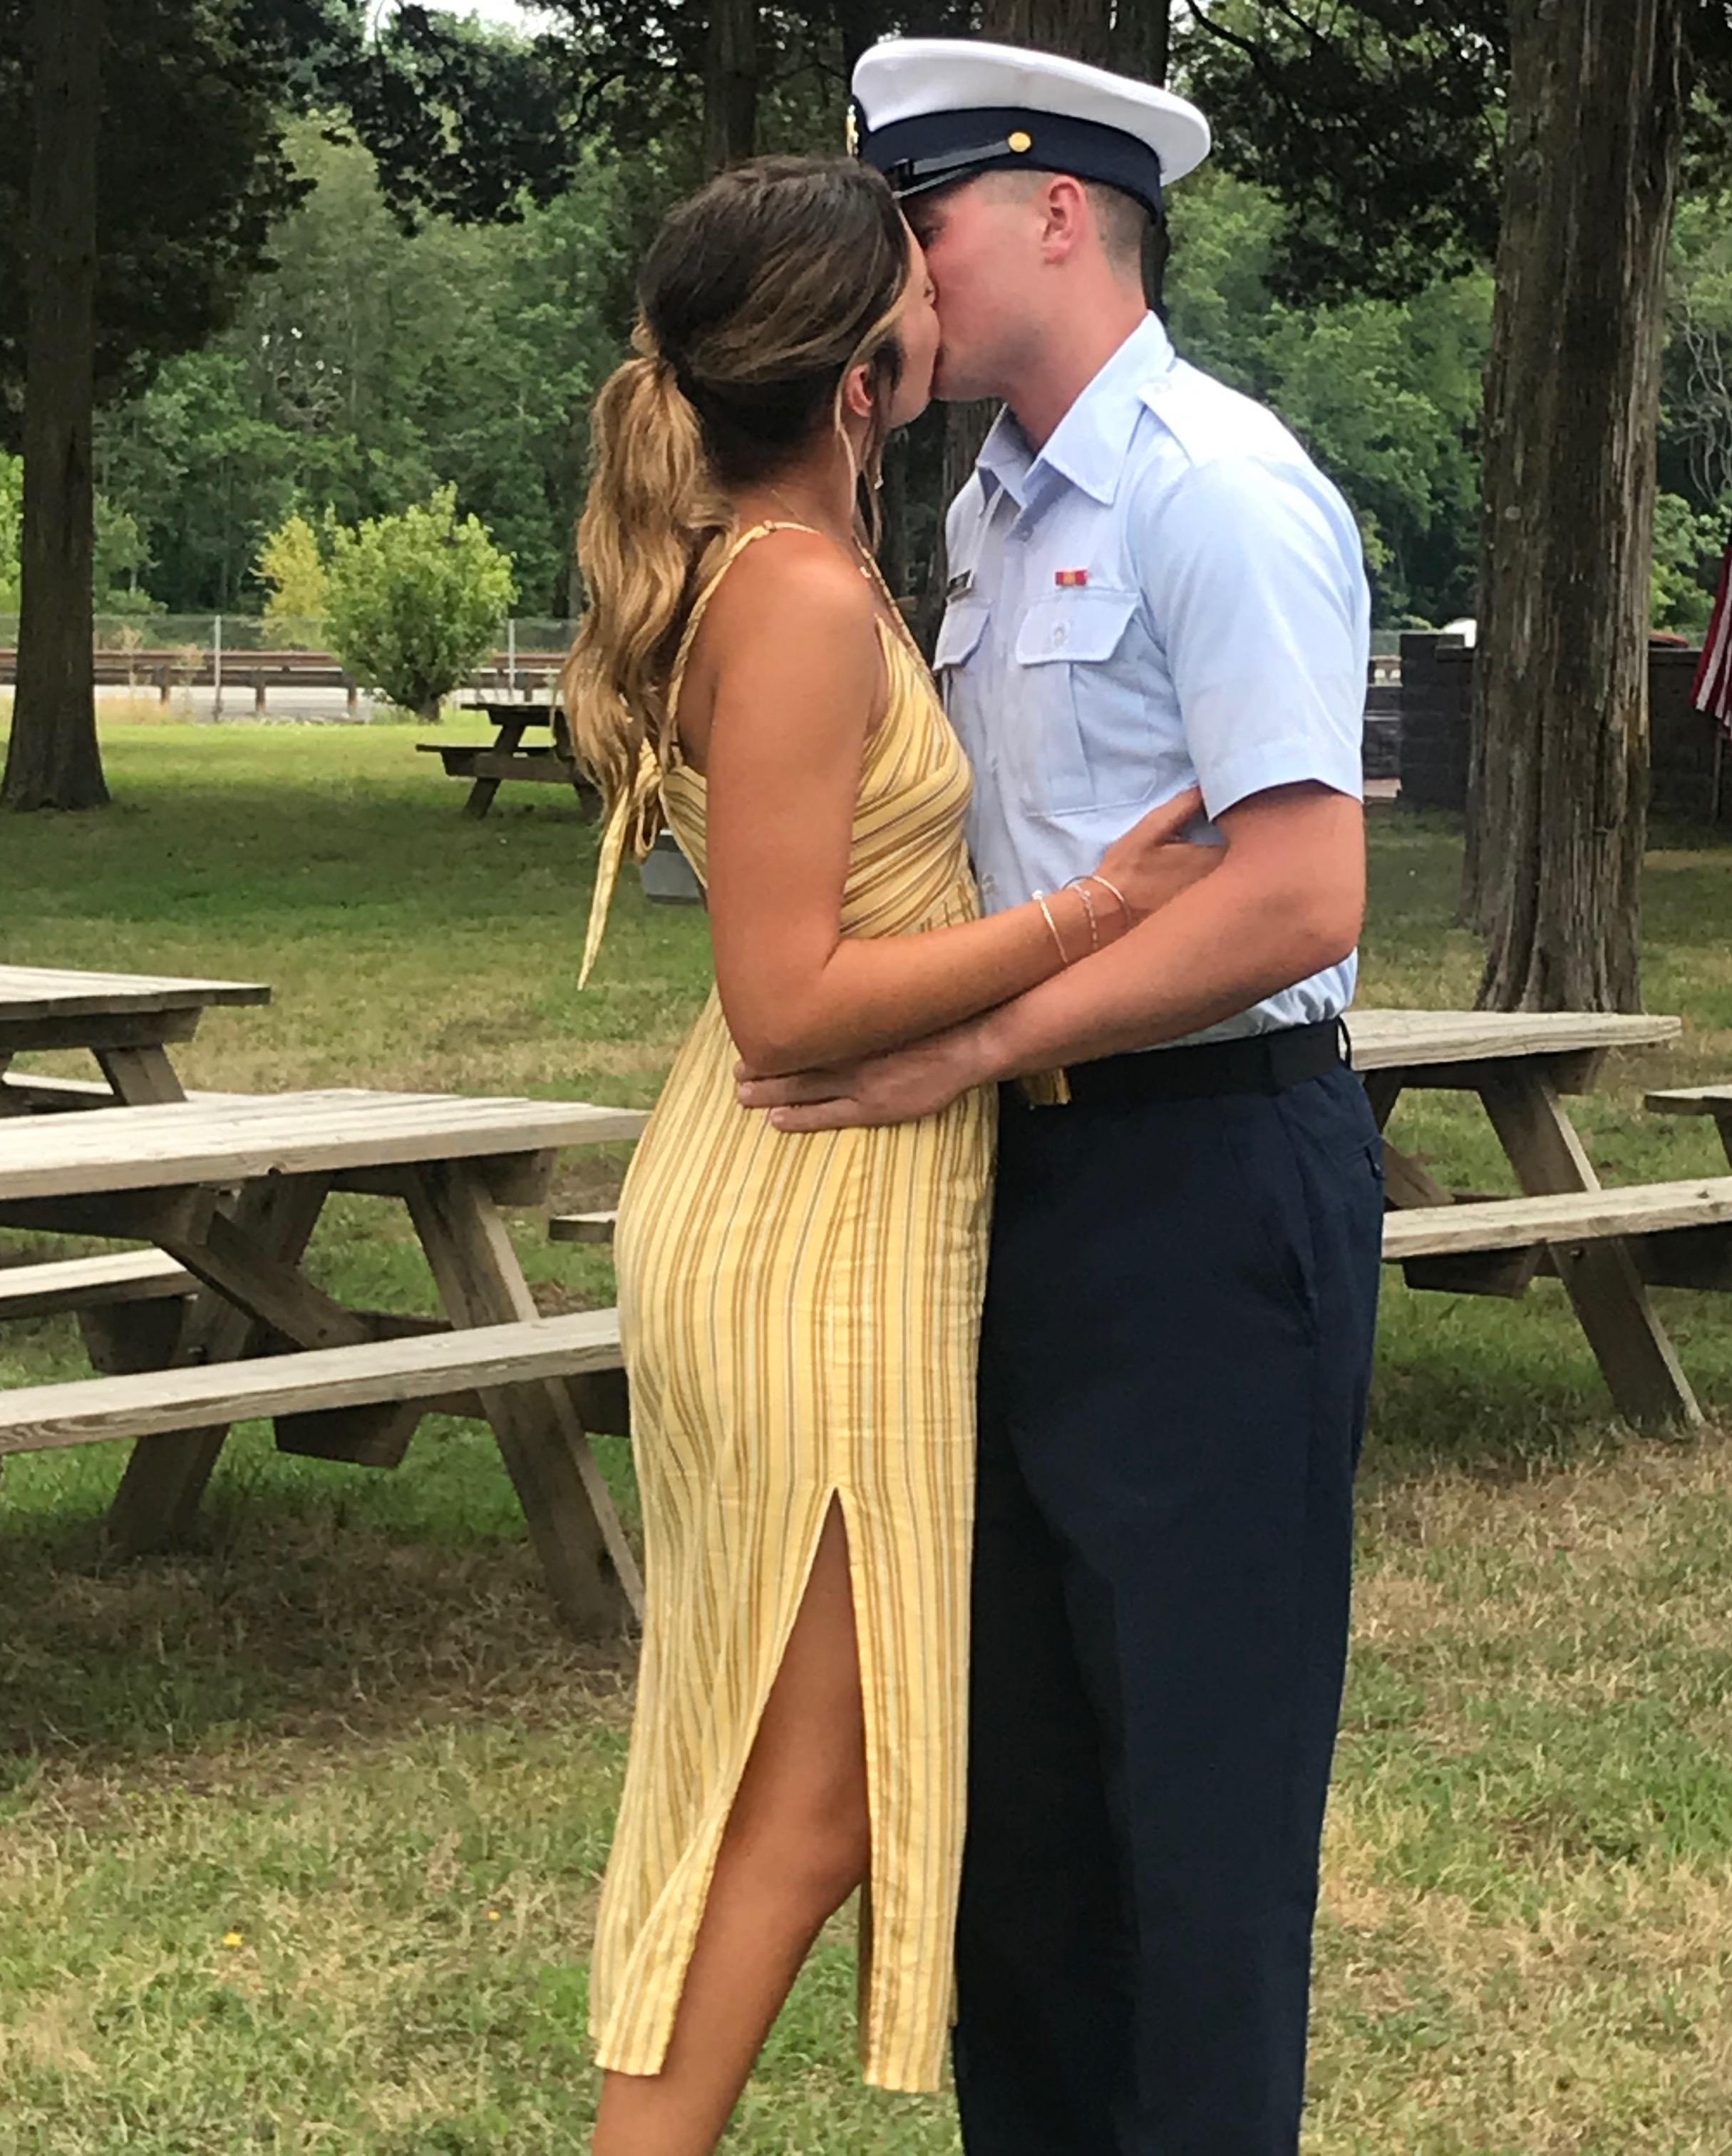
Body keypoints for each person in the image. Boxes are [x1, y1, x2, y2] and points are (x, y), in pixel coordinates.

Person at [738, 41, 1387, 2155]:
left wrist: (987, 1044)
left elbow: (1300, 889)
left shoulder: (1215, 490)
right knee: (1014, 1818)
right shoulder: (993, 512)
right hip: (1019, 1198)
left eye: (915, 226)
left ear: (1050, 215)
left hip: (1205, 1189)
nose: (893, 282)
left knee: (1195, 1822)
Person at [564, 155, 1218, 2156]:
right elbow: (785, 993)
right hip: (801, 1214)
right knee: (797, 1797)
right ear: (866, 379)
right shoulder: (804, 604)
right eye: (908, 285)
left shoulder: (800, 579)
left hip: (835, 1206)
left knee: (776, 1775)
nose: (944, 290)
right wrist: (1088, 920)